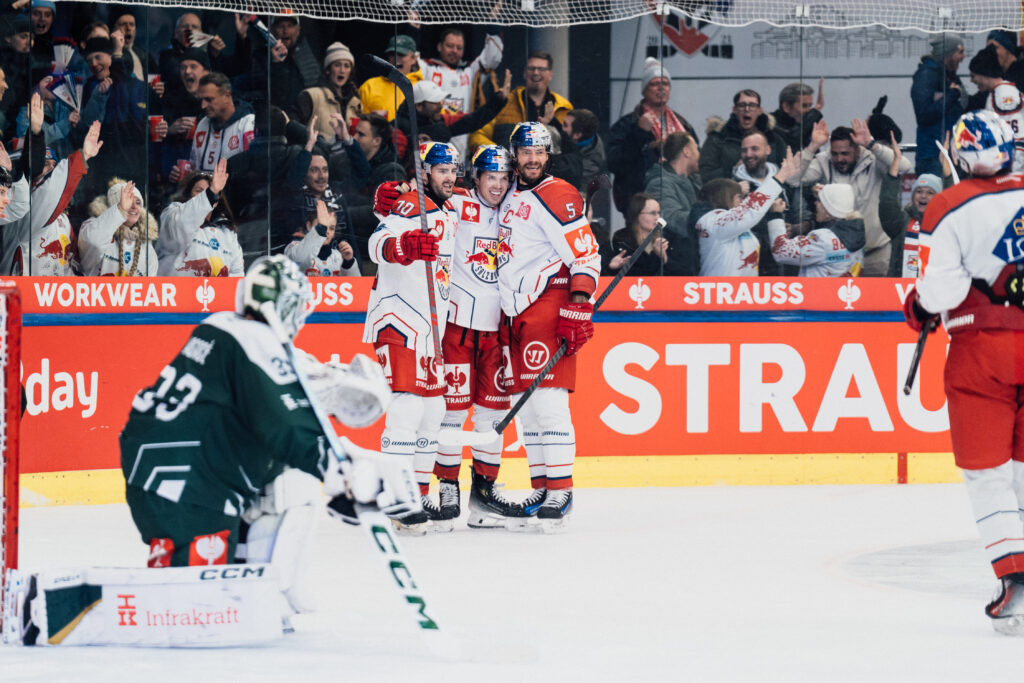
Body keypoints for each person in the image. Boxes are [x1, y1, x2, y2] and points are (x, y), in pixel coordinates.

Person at [117, 255, 407, 626]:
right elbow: (285, 424)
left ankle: (219, 574)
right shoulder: (257, 341)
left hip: (153, 468)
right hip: (190, 481)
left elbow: (280, 393)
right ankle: (270, 594)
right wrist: (340, 470)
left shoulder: (219, 325)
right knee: (294, 484)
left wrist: (343, 452)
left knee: (265, 476)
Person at [902, 110, 1024, 635]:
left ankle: (1014, 574)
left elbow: (943, 291)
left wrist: (918, 306)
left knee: (987, 472)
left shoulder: (951, 204)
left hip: (984, 350)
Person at [496, 122, 600, 529]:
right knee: (528, 411)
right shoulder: (510, 193)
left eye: (539, 152)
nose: (533, 159)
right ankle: (541, 487)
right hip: (514, 313)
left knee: (550, 405)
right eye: (526, 152)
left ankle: (561, 491)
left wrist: (577, 306)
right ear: (515, 155)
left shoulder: (557, 193)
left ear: (549, 154)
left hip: (546, 308)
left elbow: (586, 255)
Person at [363, 141, 460, 533]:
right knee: (405, 408)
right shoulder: (409, 206)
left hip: (431, 327)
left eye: (452, 170)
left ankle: (418, 494)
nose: (449, 177)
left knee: (433, 411)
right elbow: (376, 243)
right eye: (441, 170)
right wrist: (402, 247)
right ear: (423, 172)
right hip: (399, 318)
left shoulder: (448, 209)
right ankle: (396, 497)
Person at [787, 118, 912, 276]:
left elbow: (904, 166)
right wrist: (812, 147)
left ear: (858, 149)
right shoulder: (824, 160)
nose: (839, 159)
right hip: (839, 256)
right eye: (835, 154)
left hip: (876, 253)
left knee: (879, 301)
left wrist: (872, 145)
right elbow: (793, 179)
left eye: (845, 153)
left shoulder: (873, 158)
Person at [3, 119, 102, 276]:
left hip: (55, 296)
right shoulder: (18, 209)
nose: (51, 168)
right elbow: (49, 192)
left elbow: (72, 262)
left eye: (53, 165)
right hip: (24, 294)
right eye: (45, 163)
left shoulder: (63, 218)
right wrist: (83, 157)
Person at [607, 57, 697, 217]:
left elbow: (696, 160)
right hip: (639, 204)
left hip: (677, 200)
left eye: (666, 84)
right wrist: (638, 133)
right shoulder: (627, 124)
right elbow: (613, 163)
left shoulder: (682, 124)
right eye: (655, 83)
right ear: (644, 90)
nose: (661, 88)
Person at [696, 147, 800, 276]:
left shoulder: (733, 223)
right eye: (740, 196)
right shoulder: (711, 220)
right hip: (717, 292)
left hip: (742, 291)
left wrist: (775, 214)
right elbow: (749, 210)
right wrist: (781, 176)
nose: (744, 200)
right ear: (725, 196)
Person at [418, 27, 503, 156]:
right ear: (439, 46)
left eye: (459, 48)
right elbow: (408, 59)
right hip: (432, 136)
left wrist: (493, 31)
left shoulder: (469, 71)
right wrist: (413, 29)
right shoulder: (427, 68)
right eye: (450, 46)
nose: (454, 51)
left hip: (461, 142)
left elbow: (491, 59)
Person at [469, 51, 572, 154]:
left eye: (541, 69)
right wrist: (498, 155)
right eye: (531, 68)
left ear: (550, 74)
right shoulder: (505, 102)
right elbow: (477, 135)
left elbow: (572, 147)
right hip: (508, 168)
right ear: (524, 73)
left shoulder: (563, 107)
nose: (536, 72)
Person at [157, 159, 245, 277]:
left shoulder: (227, 233)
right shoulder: (172, 214)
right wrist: (211, 192)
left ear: (217, 201)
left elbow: (236, 275)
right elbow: (182, 225)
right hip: (177, 293)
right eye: (199, 191)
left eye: (210, 192)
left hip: (216, 295)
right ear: (188, 195)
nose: (206, 195)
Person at [768, 183, 865, 277]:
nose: (815, 203)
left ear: (829, 209)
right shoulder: (856, 232)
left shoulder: (823, 240)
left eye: (819, 200)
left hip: (815, 292)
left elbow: (781, 251)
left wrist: (775, 215)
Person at [699, 89, 788, 182]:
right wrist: (733, 171)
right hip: (730, 194)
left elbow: (787, 172)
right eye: (742, 105)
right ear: (734, 109)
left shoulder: (773, 138)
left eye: (752, 105)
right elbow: (704, 175)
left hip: (769, 193)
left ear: (760, 110)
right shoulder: (718, 138)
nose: (747, 109)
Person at [644, 130, 700, 275]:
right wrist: (706, 220)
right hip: (672, 266)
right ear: (686, 151)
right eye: (696, 149)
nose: (699, 154)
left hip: (686, 263)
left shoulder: (691, 181)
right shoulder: (660, 183)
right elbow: (672, 218)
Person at [911, 32, 967, 176]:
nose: (963, 57)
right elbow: (924, 115)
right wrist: (952, 96)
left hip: (952, 154)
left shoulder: (948, 76)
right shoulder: (927, 76)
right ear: (949, 53)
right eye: (960, 52)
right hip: (933, 157)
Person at [78, 178, 159, 276]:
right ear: (115, 204)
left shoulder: (146, 246)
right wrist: (120, 210)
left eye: (138, 203)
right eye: (128, 201)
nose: (134, 206)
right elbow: (94, 243)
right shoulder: (94, 226)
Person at [184, 72, 255, 176]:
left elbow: (251, 172)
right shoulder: (202, 123)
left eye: (209, 99)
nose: (203, 106)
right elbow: (194, 167)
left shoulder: (247, 123)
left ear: (227, 96)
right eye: (201, 100)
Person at [297, 41, 362, 143]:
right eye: (337, 65)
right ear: (328, 70)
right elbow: (295, 129)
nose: (342, 70)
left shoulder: (356, 104)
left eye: (346, 66)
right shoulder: (311, 96)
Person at [599, 193, 679, 276]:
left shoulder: (669, 238)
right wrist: (611, 267)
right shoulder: (620, 241)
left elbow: (685, 272)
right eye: (652, 213)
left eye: (659, 213)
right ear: (637, 214)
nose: (657, 217)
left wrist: (664, 258)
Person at [286, 198, 360, 277]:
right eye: (322, 226)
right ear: (308, 226)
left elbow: (357, 287)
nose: (327, 231)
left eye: (331, 228)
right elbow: (300, 259)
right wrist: (320, 230)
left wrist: (348, 263)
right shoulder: (294, 248)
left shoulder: (338, 256)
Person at [358, 34, 423, 122]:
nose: (396, 59)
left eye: (401, 54)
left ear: (414, 59)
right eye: (392, 54)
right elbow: (358, 121)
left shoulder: (422, 86)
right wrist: (373, 119)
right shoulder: (370, 86)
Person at [771, 80, 824, 152]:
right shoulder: (771, 124)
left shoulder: (806, 126)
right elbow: (792, 139)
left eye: (810, 106)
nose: (809, 111)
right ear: (786, 106)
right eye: (804, 106)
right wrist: (815, 113)